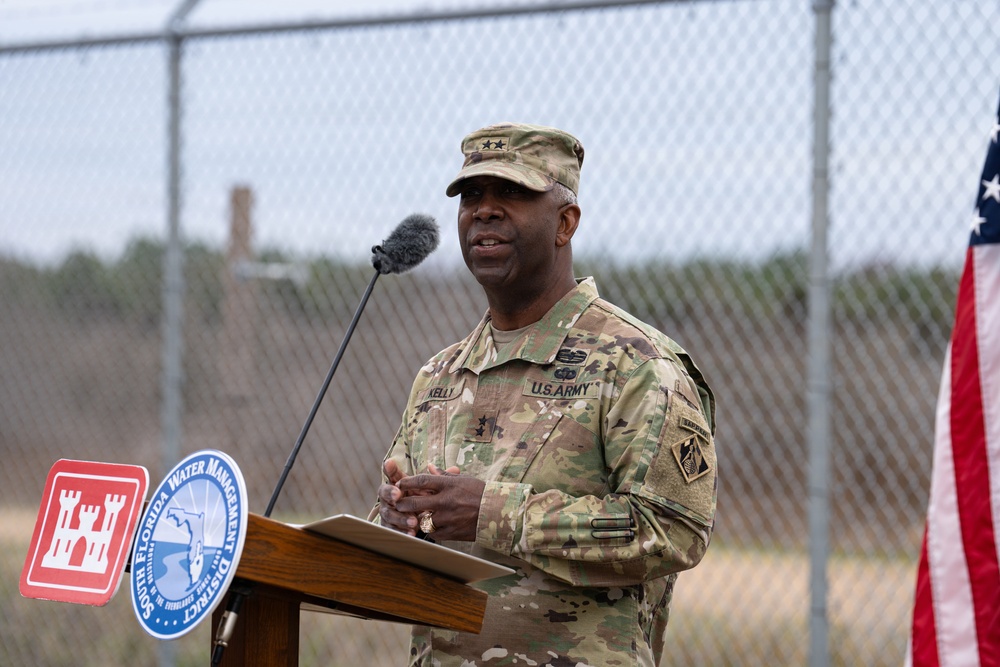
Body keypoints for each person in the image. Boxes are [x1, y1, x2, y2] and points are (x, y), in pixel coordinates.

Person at [371, 122, 717, 667]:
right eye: (471, 195)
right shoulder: (439, 377)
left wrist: (491, 512)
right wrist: (395, 522)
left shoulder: (634, 364)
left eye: (511, 192)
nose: (484, 210)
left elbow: (673, 530)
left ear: (565, 223)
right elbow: (395, 523)